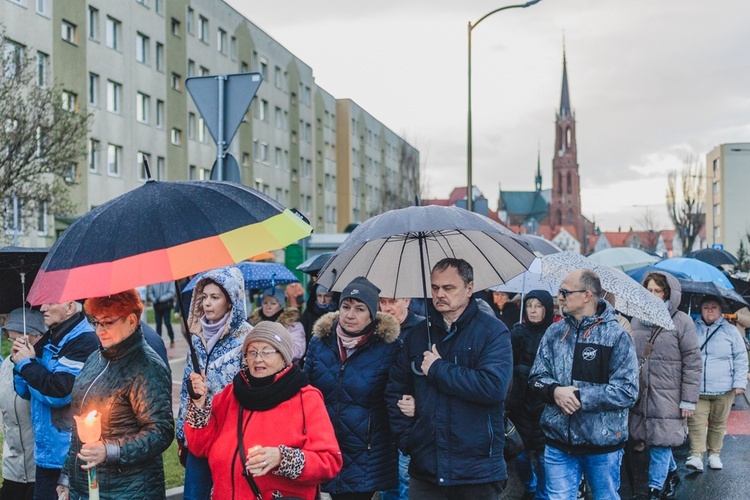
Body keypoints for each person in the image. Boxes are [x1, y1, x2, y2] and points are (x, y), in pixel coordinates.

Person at [386, 258, 512, 500]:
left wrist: (438, 369)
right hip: (427, 468)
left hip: (477, 469)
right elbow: (395, 389)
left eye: (448, 288)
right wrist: (408, 440)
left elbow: (494, 387)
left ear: (469, 288)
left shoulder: (492, 331)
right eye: (435, 288)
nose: (440, 294)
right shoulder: (419, 335)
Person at [184, 321, 343, 499]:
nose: (258, 359)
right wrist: (199, 405)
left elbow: (329, 461)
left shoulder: (306, 398)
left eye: (267, 351)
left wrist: (281, 458)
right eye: (252, 352)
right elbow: (199, 447)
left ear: (283, 357)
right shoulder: (231, 394)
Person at [529, 269, 638, 499]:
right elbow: (536, 377)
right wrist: (555, 391)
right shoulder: (554, 332)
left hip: (602, 446)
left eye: (565, 292)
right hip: (558, 443)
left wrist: (579, 397)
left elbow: (627, 391)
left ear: (587, 295)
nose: (559, 297)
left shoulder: (617, 336)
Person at [56, 290, 174, 499]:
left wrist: (110, 450)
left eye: (108, 322)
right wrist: (67, 477)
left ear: (131, 321)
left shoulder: (147, 366)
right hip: (87, 486)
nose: (100, 331)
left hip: (130, 490)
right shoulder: (95, 358)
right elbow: (79, 429)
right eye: (96, 322)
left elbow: (160, 432)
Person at [306, 276, 402, 500]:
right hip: (323, 445)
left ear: (372, 314)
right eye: (346, 306)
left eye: (359, 309)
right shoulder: (320, 342)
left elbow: (395, 394)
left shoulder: (389, 348)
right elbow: (306, 390)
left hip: (365, 452)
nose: (350, 314)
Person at [177, 266, 252, 500]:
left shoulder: (247, 339)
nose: (208, 303)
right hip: (199, 434)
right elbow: (184, 390)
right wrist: (182, 433)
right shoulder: (196, 336)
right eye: (205, 297)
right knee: (195, 494)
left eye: (215, 297)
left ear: (231, 302)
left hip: (231, 436)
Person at [11, 300, 99, 500]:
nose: (42, 308)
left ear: (69, 307)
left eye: (50, 303)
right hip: (46, 453)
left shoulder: (84, 340)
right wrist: (19, 361)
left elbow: (58, 393)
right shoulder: (50, 337)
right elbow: (23, 390)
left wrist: (27, 365)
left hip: (70, 456)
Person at [629, 272, 701, 499]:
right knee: (656, 440)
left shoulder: (682, 321)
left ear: (667, 293)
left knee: (661, 444)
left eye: (657, 291)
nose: (652, 295)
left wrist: (688, 399)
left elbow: (693, 362)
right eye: (648, 290)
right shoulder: (637, 320)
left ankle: (654, 489)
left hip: (669, 396)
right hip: (642, 394)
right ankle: (671, 473)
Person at [686, 295, 748, 472]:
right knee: (696, 423)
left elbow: (741, 358)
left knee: (717, 423)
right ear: (701, 310)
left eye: (714, 307)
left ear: (720, 310)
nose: (710, 310)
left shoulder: (730, 331)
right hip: (697, 388)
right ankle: (696, 455)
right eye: (706, 307)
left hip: (723, 388)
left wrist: (739, 383)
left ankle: (714, 454)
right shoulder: (692, 328)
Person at [507, 290, 555, 500]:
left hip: (545, 404)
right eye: (529, 306)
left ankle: (542, 495)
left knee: (545, 459)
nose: (533, 310)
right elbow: (507, 364)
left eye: (538, 306)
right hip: (521, 403)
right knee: (520, 455)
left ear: (547, 308)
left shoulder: (554, 333)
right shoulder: (518, 331)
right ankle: (530, 485)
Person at [378, 296, 424, 500]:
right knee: (388, 479)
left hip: (409, 416)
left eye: (392, 301)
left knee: (406, 477)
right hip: (382, 414)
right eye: (382, 301)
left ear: (406, 300)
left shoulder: (423, 329)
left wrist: (420, 402)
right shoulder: (376, 330)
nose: (387, 308)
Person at [0, 308, 46, 500]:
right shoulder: (6, 365)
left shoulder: (44, 367)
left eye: (18, 339)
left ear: (36, 336)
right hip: (12, 467)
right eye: (11, 340)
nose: (13, 346)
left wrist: (27, 367)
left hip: (40, 469)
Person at [250, 287, 307, 363]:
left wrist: (272, 351)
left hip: (284, 368)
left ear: (281, 305)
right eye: (265, 303)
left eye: (273, 303)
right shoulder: (253, 324)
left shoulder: (293, 325)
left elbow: (297, 351)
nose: (268, 307)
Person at [147, 280, 176, 347]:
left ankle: (172, 338)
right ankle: (158, 342)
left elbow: (171, 292)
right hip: (157, 306)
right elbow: (150, 292)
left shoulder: (169, 281)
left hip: (166, 305)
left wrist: (161, 299)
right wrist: (154, 299)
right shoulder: (153, 281)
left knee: (167, 323)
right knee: (158, 324)